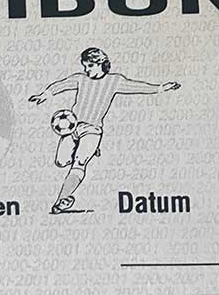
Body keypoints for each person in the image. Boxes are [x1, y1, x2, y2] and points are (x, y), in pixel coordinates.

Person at [29, 47, 180, 214]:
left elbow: (137, 87)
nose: (86, 70)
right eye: (85, 66)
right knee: (61, 162)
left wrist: (161, 88)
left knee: (79, 163)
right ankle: (90, 150)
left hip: (92, 130)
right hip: (72, 128)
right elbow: (61, 85)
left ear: (100, 63)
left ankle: (61, 200)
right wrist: (45, 94)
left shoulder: (114, 81)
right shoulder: (80, 79)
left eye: (90, 66)